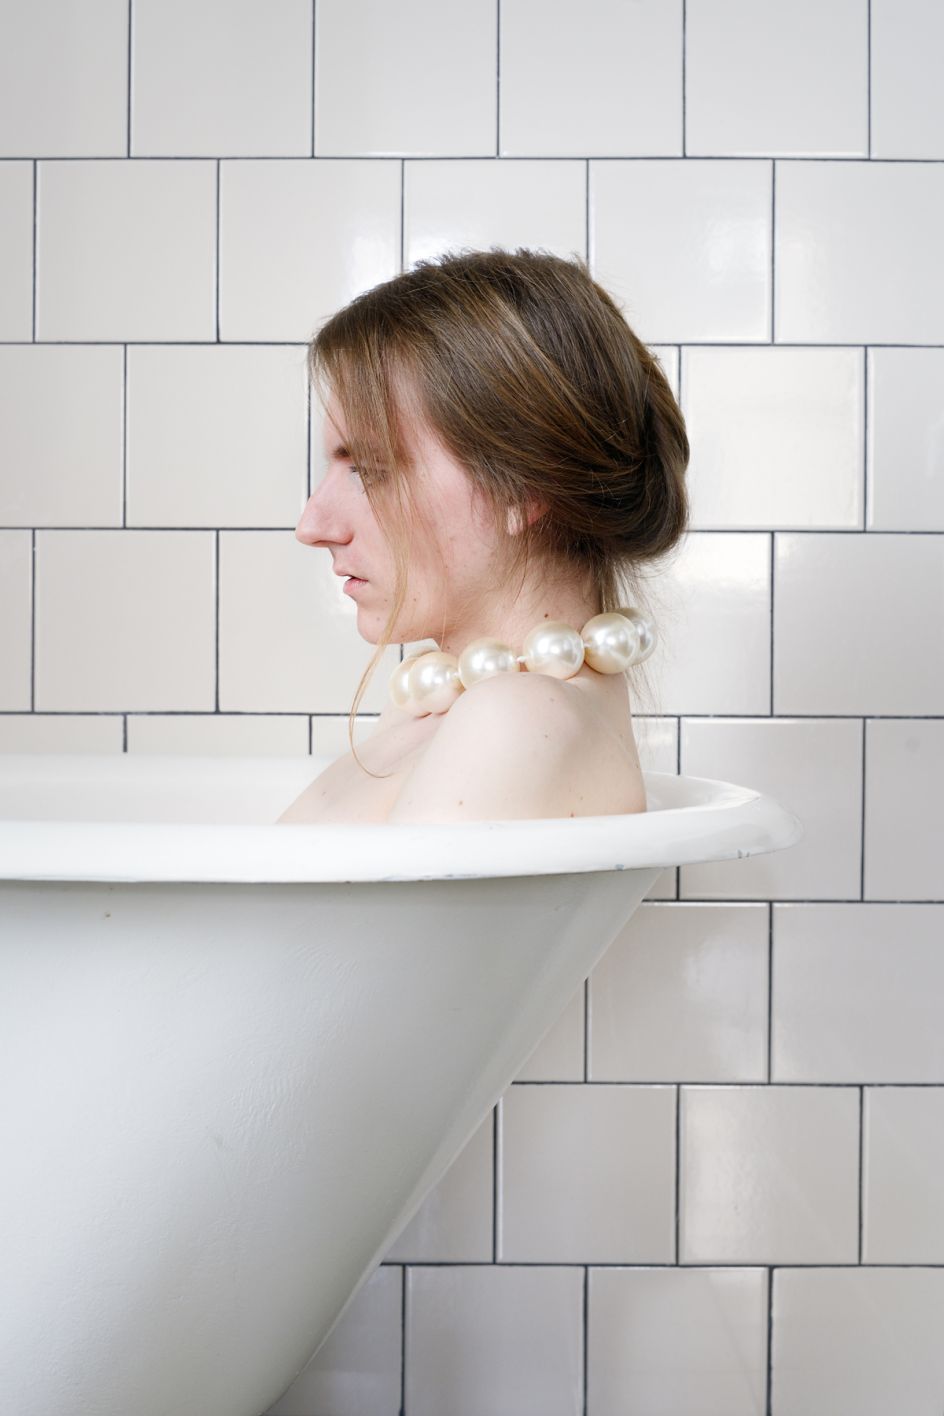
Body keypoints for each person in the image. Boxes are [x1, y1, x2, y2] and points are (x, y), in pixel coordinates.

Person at [275, 247, 689, 825]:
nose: (313, 526)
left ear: (523, 487)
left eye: (369, 469)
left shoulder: (514, 719)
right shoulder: (439, 703)